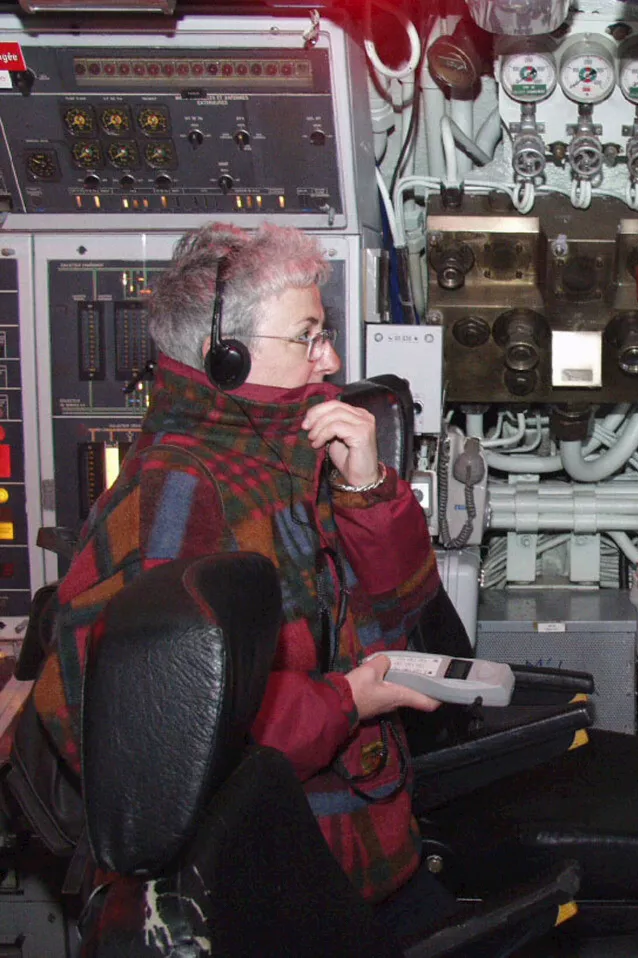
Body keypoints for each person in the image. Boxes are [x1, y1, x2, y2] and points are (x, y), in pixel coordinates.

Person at [32, 222, 456, 941]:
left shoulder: (279, 454)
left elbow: (407, 600)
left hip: (354, 845)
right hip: (281, 881)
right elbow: (170, 734)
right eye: (309, 336)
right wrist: (346, 701)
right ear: (223, 358)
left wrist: (369, 487)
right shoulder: (179, 493)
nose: (332, 357)